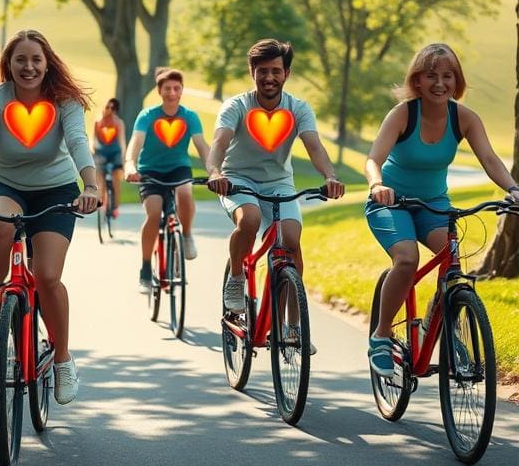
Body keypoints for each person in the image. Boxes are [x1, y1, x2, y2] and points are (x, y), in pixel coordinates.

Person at [0, 29, 99, 405]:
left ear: (47, 64)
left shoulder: (64, 101)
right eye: (20, 60)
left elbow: (77, 142)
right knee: (0, 226)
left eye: (36, 60)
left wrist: (90, 186)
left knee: (47, 276)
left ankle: (62, 360)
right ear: (8, 65)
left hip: (57, 190)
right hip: (5, 185)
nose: (28, 67)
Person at [364, 43, 519, 376]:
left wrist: (513, 189)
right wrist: (377, 186)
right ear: (417, 80)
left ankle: (442, 332)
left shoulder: (463, 118)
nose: (440, 83)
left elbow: (490, 160)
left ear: (457, 81)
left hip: (434, 204)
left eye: (447, 76)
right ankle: (381, 335)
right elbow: (373, 159)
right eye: (431, 75)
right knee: (407, 260)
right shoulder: (404, 114)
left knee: (451, 267)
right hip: (391, 202)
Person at [206, 39, 344, 352]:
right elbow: (219, 142)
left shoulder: (298, 108)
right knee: (250, 219)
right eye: (263, 71)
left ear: (287, 74)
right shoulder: (237, 106)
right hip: (236, 180)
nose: (270, 77)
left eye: (276, 71)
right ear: (252, 72)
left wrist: (330, 177)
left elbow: (314, 146)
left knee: (290, 242)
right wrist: (215, 172)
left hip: (279, 183)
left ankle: (292, 326)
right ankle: (237, 277)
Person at [125, 68, 210, 292]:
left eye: (176, 88)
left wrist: (214, 170)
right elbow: (136, 142)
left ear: (181, 90)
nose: (172, 92)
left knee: (185, 192)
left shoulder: (190, 116)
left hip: (179, 168)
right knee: (154, 213)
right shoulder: (148, 115)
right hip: (150, 170)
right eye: (167, 88)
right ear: (159, 91)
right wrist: (130, 165)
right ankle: (145, 267)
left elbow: (202, 146)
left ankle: (187, 235)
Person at [91, 98, 126, 218]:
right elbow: (93, 139)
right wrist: (92, 149)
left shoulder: (118, 122)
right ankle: (102, 201)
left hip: (115, 153)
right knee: (100, 181)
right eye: (107, 107)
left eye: (113, 108)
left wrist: (123, 157)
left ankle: (115, 206)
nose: (109, 110)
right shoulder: (97, 122)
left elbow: (122, 141)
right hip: (101, 153)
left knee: (116, 180)